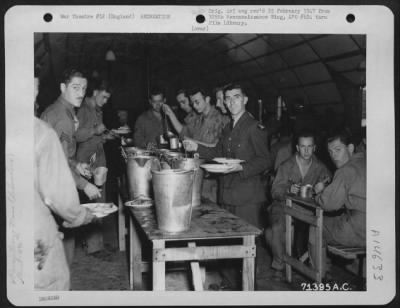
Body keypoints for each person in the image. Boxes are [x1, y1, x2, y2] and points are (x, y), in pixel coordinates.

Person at [34, 75, 95, 290]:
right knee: (56, 275)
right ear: (62, 87)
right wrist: (83, 185)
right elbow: (55, 168)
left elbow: (61, 155)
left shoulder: (63, 112)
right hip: (51, 198)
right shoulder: (62, 117)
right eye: (75, 87)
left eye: (84, 88)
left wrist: (76, 164)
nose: (81, 92)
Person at [183, 84, 270, 228]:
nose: (232, 102)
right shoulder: (228, 127)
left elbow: (265, 160)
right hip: (226, 194)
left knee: (246, 244)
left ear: (245, 100)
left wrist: (241, 167)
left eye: (236, 97)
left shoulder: (254, 127)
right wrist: (197, 147)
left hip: (246, 198)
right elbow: (218, 152)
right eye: (228, 99)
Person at [264, 131, 331, 279]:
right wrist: (288, 190)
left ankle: (319, 270)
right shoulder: (286, 166)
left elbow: (329, 181)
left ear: (314, 148)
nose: (306, 150)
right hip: (283, 205)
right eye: (302, 146)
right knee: (274, 230)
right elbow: (274, 191)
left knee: (323, 228)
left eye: (309, 147)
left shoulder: (320, 166)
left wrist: (324, 186)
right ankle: (279, 264)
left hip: (307, 209)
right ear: (297, 148)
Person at [310, 128, 366, 278]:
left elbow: (328, 204)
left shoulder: (345, 170)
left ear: (350, 148)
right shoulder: (368, 162)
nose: (334, 156)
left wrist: (320, 192)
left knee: (316, 225)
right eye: (330, 151)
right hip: (380, 230)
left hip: (360, 231)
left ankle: (318, 277)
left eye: (338, 149)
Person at [163, 87, 230, 203]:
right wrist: (170, 114)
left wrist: (195, 143)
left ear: (207, 99)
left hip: (212, 179)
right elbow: (183, 132)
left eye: (197, 102)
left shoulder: (221, 118)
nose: (194, 106)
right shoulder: (198, 119)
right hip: (199, 174)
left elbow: (216, 147)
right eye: (192, 102)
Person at [75, 78, 114, 202]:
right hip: (85, 161)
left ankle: (98, 220)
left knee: (99, 199)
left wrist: (104, 137)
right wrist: (94, 130)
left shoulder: (97, 110)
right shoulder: (83, 109)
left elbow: (94, 137)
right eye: (104, 97)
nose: (105, 101)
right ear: (95, 92)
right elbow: (76, 135)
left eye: (107, 98)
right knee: (88, 200)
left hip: (97, 159)